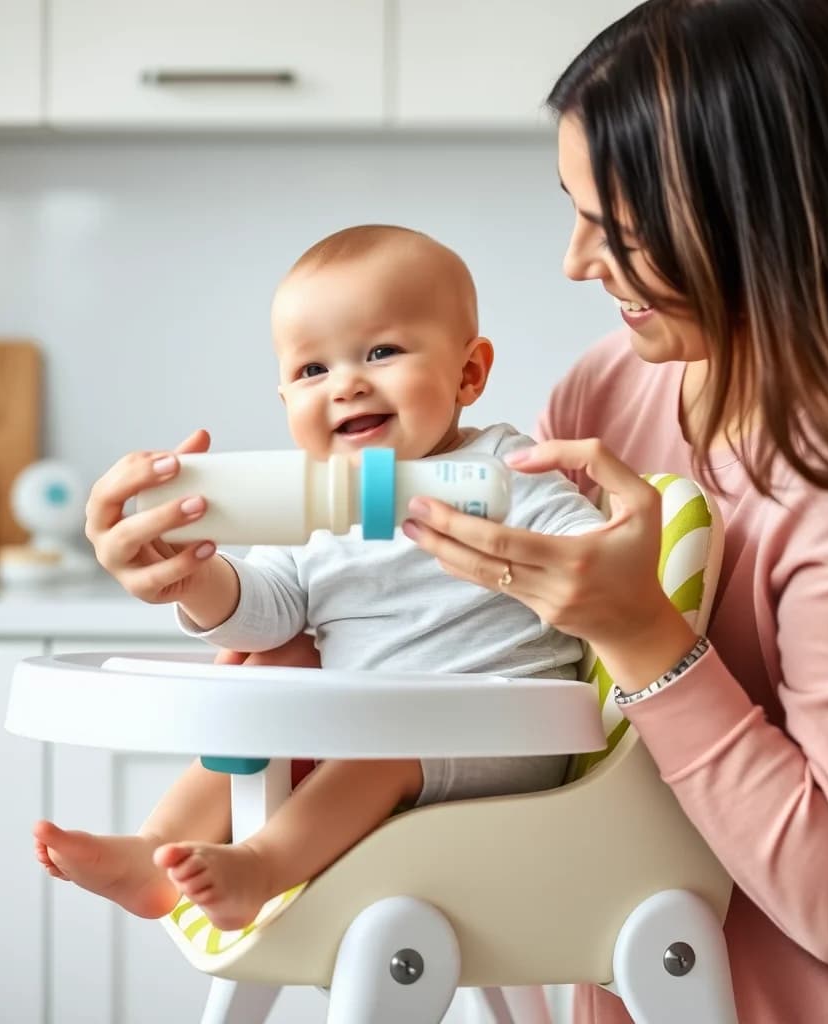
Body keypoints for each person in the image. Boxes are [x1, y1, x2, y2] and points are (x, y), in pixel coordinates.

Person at [397, 1, 828, 1021]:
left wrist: (643, 637)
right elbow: (436, 557)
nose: (575, 263)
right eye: (576, 211)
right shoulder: (607, 394)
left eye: (619, 233)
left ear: (757, 221)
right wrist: (223, 574)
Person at [33, 224, 605, 931]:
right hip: (369, 728)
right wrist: (193, 576)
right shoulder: (313, 502)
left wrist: (563, 551)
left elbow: (595, 559)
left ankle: (264, 865)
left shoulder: (502, 473)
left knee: (380, 751)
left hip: (503, 733)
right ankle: (156, 851)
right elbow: (264, 610)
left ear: (468, 373)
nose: (346, 384)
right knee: (274, 660)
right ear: (285, 402)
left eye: (382, 352)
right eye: (312, 371)